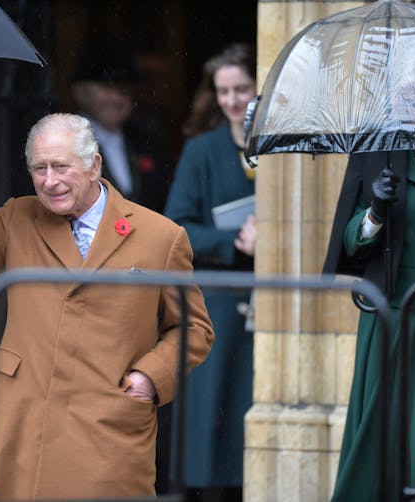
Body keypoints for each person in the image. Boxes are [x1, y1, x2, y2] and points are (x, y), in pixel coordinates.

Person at [0, 85, 214, 500]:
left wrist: (149, 378)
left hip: (107, 427)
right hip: (22, 423)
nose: (50, 181)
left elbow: (194, 330)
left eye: (61, 167)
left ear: (94, 165)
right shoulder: (19, 218)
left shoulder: (160, 237)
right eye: (39, 169)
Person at [163, 43, 257, 501]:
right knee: (213, 427)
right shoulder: (203, 150)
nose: (233, 101)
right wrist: (235, 240)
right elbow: (177, 226)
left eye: (242, 89)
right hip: (219, 300)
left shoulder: (285, 147)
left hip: (274, 303)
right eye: (224, 91)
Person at [324, 149, 415, 500]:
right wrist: (375, 211)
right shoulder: (379, 153)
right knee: (381, 434)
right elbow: (350, 242)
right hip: (390, 315)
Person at [71, 40, 171, 213]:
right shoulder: (63, 141)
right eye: (107, 88)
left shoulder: (146, 142)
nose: (116, 99)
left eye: (124, 90)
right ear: (80, 91)